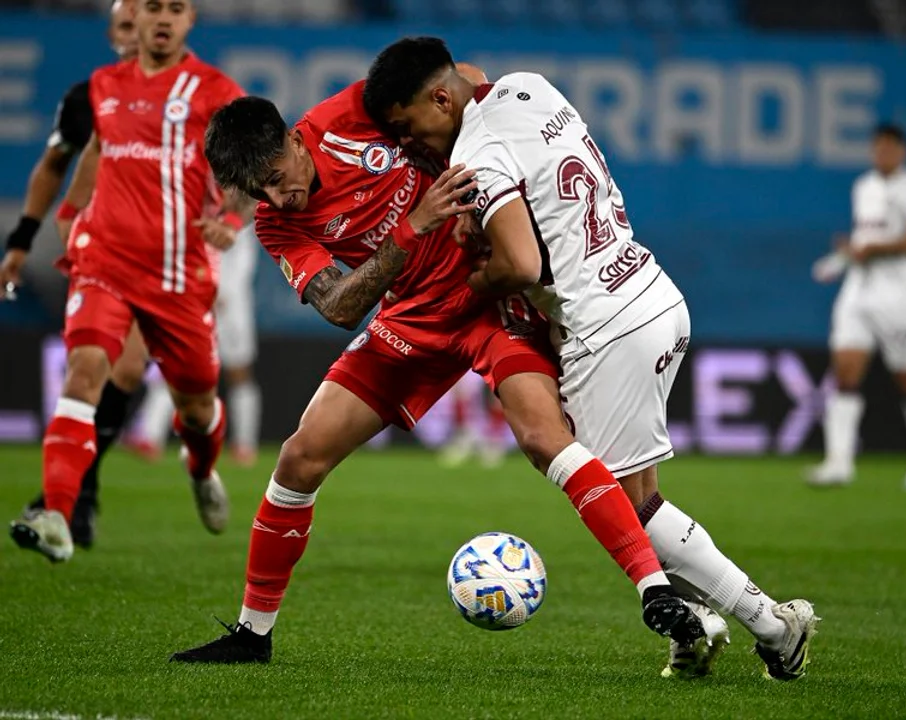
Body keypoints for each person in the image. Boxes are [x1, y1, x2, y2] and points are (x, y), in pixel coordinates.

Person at [170, 74, 706, 665]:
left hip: (487, 299)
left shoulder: (352, 114)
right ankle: (252, 635)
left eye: (276, 178)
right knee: (299, 457)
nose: (275, 200)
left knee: (543, 439)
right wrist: (412, 227)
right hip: (411, 321)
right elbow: (339, 307)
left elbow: (461, 80)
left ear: (295, 140)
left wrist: (483, 187)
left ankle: (654, 591)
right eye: (258, 192)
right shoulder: (277, 225)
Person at [363, 37, 819, 681]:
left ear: (440, 99)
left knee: (627, 511)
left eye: (407, 126)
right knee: (642, 499)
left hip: (606, 329)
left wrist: (474, 279)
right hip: (650, 293)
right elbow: (473, 76)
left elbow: (521, 264)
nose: (409, 143)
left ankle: (771, 625)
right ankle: (697, 636)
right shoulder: (528, 86)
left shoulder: (475, 156)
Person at [9, 0, 249, 563]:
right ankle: (58, 515)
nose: (163, 19)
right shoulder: (102, 86)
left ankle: (201, 469)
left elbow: (250, 168)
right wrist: (69, 217)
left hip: (178, 275)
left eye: (176, 9)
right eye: (153, 8)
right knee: (84, 372)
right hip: (106, 265)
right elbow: (93, 155)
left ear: (191, 20)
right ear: (133, 19)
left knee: (197, 407)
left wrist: (232, 218)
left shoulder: (216, 91)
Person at [0, 0, 142, 549]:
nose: (137, 34)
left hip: (163, 259)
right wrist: (21, 241)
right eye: (126, 25)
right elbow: (52, 166)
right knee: (90, 368)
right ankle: (67, 499)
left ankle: (80, 488)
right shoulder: (87, 98)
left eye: (145, 23)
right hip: (99, 255)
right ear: (112, 35)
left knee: (127, 373)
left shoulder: (191, 98)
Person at [808, 123, 906, 492]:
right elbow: (865, 239)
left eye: (889, 148)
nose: (882, 154)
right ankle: (839, 462)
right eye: (877, 147)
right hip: (859, 289)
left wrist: (871, 249)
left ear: (902, 151)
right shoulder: (863, 187)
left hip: (899, 294)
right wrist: (846, 256)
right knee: (845, 370)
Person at [128, 223, 263, 466]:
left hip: (231, 306)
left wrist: (225, 291)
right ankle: (150, 436)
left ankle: (245, 443)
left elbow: (244, 256)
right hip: (194, 299)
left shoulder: (241, 212)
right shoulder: (198, 208)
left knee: (239, 372)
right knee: (176, 364)